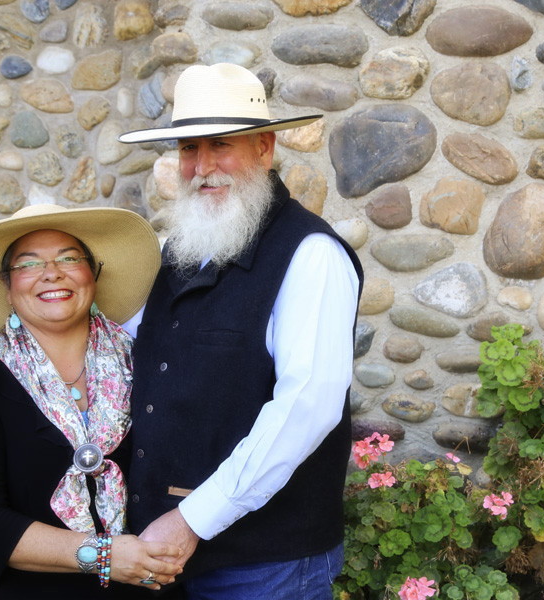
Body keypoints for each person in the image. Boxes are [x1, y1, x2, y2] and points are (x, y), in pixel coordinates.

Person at [117, 63, 364, 599]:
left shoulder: (311, 255)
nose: (202, 166)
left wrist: (191, 520)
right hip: (164, 555)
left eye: (221, 145)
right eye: (189, 148)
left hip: (265, 567)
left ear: (264, 148)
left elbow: (307, 408)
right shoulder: (178, 250)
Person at [0, 204, 187, 599]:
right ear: (7, 286)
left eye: (69, 258)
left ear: (93, 274)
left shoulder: (147, 365)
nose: (52, 273)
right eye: (29, 264)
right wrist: (103, 556)